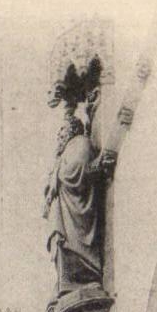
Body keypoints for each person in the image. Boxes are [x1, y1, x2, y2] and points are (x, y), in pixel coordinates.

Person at [43, 115, 116, 294]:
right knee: (62, 248)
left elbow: (78, 169)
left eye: (62, 129)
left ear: (72, 129)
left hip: (75, 214)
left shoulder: (79, 143)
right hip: (64, 213)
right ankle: (67, 284)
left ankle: (85, 277)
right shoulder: (65, 152)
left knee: (73, 247)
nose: (59, 134)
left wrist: (57, 175)